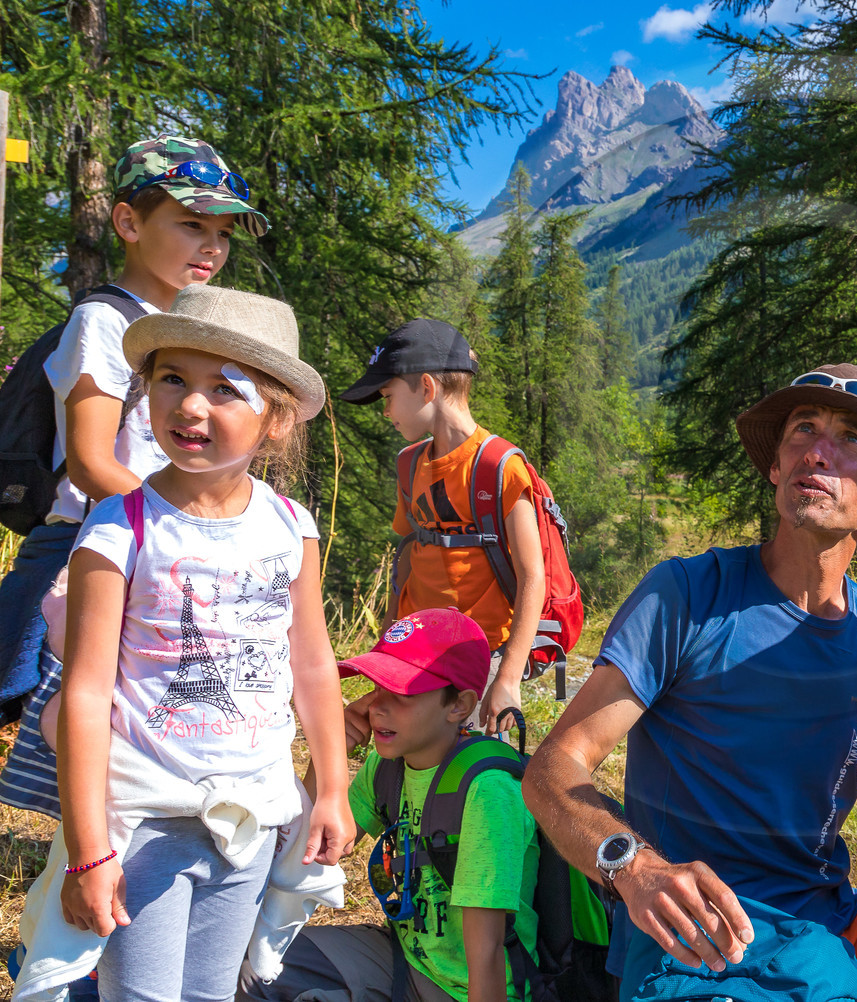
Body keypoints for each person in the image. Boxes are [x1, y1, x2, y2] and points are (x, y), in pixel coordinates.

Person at [522, 364, 857, 1001]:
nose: (817, 450)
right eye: (803, 430)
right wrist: (635, 870)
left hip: (829, 933)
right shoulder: (690, 595)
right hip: (695, 944)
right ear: (776, 468)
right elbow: (554, 768)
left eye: (851, 440)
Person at [14, 285, 354, 1002]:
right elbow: (86, 692)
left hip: (254, 818)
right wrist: (87, 849)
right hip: (144, 820)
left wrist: (332, 787)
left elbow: (314, 664)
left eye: (224, 389)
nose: (190, 406)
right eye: (172, 378)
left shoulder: (293, 527)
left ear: (277, 421)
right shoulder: (118, 528)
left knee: (209, 991)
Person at [0, 134, 269, 817]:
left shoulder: (186, 329)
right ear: (127, 223)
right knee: (18, 689)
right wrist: (191, 527)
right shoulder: (103, 321)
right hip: (86, 543)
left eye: (223, 232)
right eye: (190, 224)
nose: (211, 246)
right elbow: (92, 462)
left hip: (152, 545)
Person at [241, 608, 547, 1002]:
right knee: (255, 971)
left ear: (459, 705)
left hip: (466, 988)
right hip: (406, 959)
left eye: (401, 693)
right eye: (377, 686)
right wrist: (329, 755)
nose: (377, 707)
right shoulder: (387, 765)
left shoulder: (486, 792)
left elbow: (486, 955)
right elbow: (307, 850)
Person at [338, 319, 546, 733]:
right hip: (413, 649)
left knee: (469, 777)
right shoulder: (408, 464)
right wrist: (386, 653)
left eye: (388, 395)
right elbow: (408, 564)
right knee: (401, 766)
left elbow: (532, 576)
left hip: (478, 656)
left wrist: (506, 679)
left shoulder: (500, 467)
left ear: (428, 388)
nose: (385, 410)